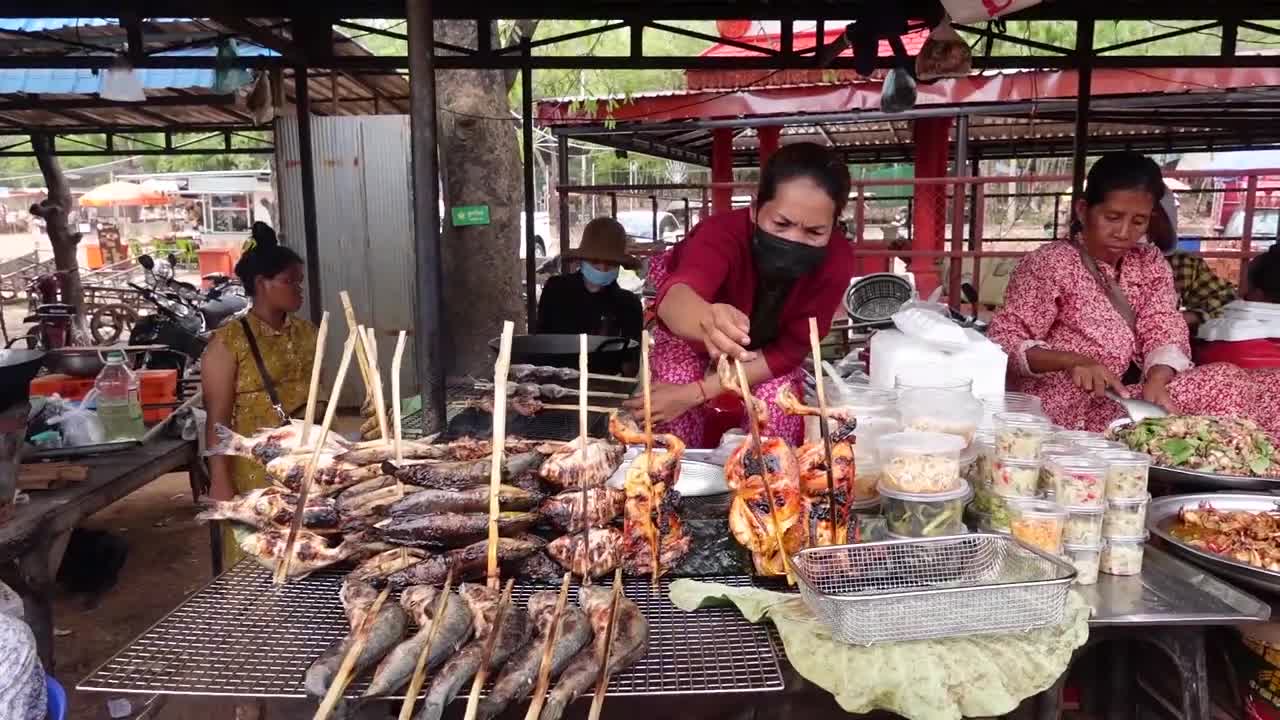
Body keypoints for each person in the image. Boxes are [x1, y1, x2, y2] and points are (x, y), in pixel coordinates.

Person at [988, 152, 1280, 436]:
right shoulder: (1051, 263)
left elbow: (1164, 327)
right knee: (1224, 384)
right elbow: (1004, 340)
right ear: (1082, 210)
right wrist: (1071, 360)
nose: (1124, 232)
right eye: (1112, 217)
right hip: (1059, 411)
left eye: (1138, 222)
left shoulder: (1150, 262)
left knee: (1259, 384)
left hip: (1123, 401)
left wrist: (1158, 378)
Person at [623, 142, 856, 447]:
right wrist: (707, 319)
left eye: (814, 232)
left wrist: (700, 392)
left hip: (762, 355)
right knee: (670, 396)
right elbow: (676, 296)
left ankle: (769, 489)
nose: (794, 240)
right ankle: (677, 485)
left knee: (778, 404)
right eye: (781, 224)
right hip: (690, 338)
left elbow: (789, 350)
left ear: (834, 225)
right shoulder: (720, 233)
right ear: (756, 209)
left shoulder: (836, 260)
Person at [202, 222, 316, 566]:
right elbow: (217, 421)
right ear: (261, 284)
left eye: (300, 281)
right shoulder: (228, 343)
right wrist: (220, 480)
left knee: (306, 549)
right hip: (253, 471)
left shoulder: (309, 333)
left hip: (306, 461)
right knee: (256, 556)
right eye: (289, 281)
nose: (299, 290)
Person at [535, 217, 643, 341]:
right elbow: (541, 343)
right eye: (595, 261)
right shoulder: (556, 290)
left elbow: (631, 355)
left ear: (620, 265)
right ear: (581, 260)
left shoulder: (629, 305)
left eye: (611, 263)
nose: (603, 268)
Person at [1147, 189, 1237, 332]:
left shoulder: (1182, 263)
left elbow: (1226, 300)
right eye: (1115, 217)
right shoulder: (1102, 265)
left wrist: (1184, 318)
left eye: (1145, 219)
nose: (1126, 230)